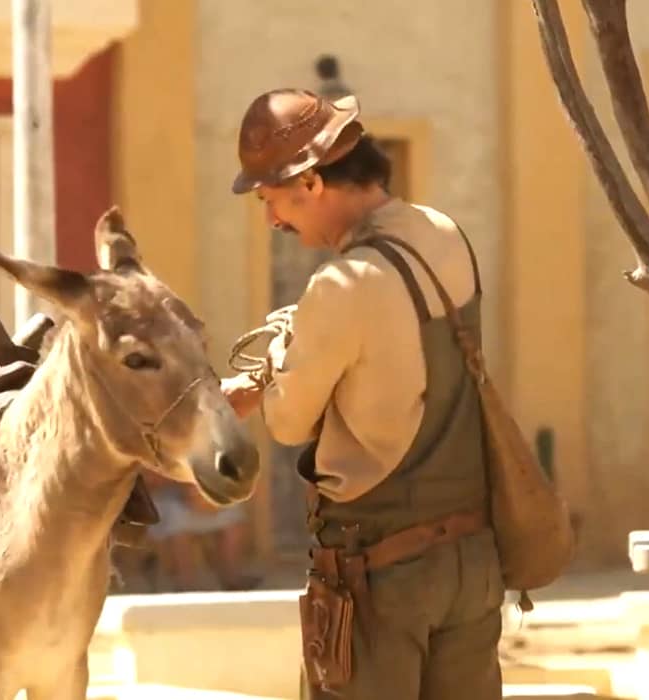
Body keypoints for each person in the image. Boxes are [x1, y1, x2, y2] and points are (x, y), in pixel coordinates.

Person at [220, 89, 503, 698]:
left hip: (380, 571)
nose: (273, 220)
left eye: (272, 199)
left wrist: (275, 363)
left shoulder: (341, 285)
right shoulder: (443, 233)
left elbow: (289, 424)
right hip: (474, 563)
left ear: (312, 182)